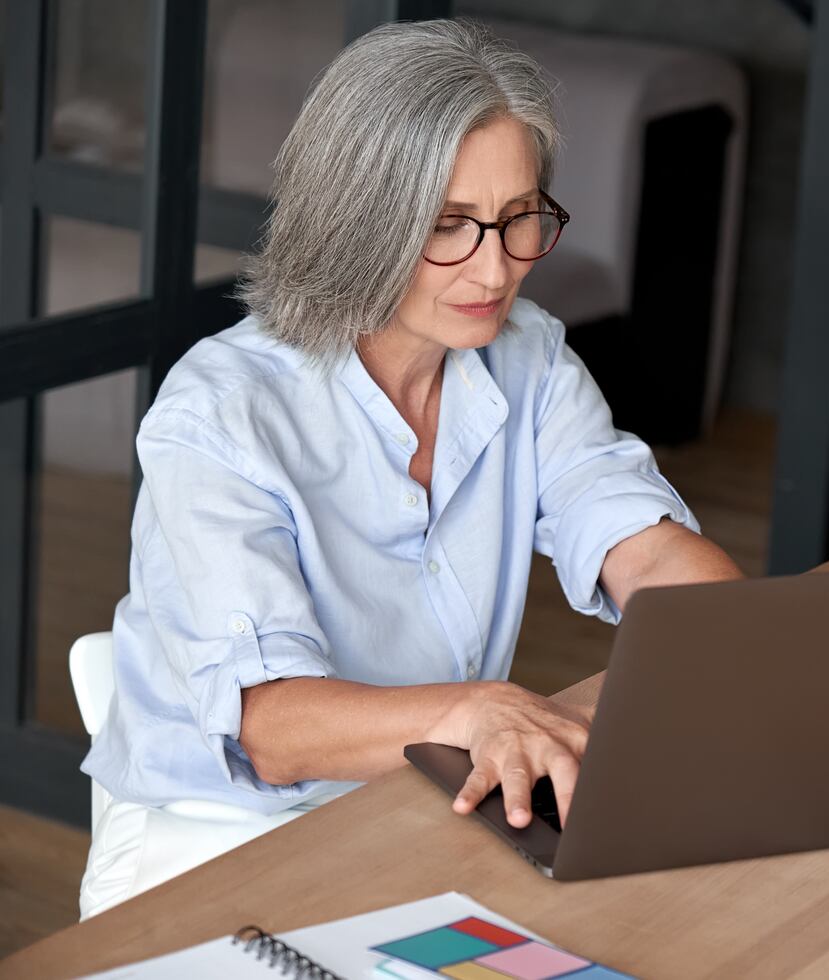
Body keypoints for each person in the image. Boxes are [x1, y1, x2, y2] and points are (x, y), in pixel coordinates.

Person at [79, 18, 742, 918]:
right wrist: (480, 710)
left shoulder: (529, 358)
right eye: (450, 228)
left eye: (519, 221)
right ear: (360, 222)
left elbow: (642, 543)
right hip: (222, 833)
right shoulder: (221, 414)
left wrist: (747, 652)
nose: (498, 267)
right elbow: (273, 730)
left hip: (426, 801)